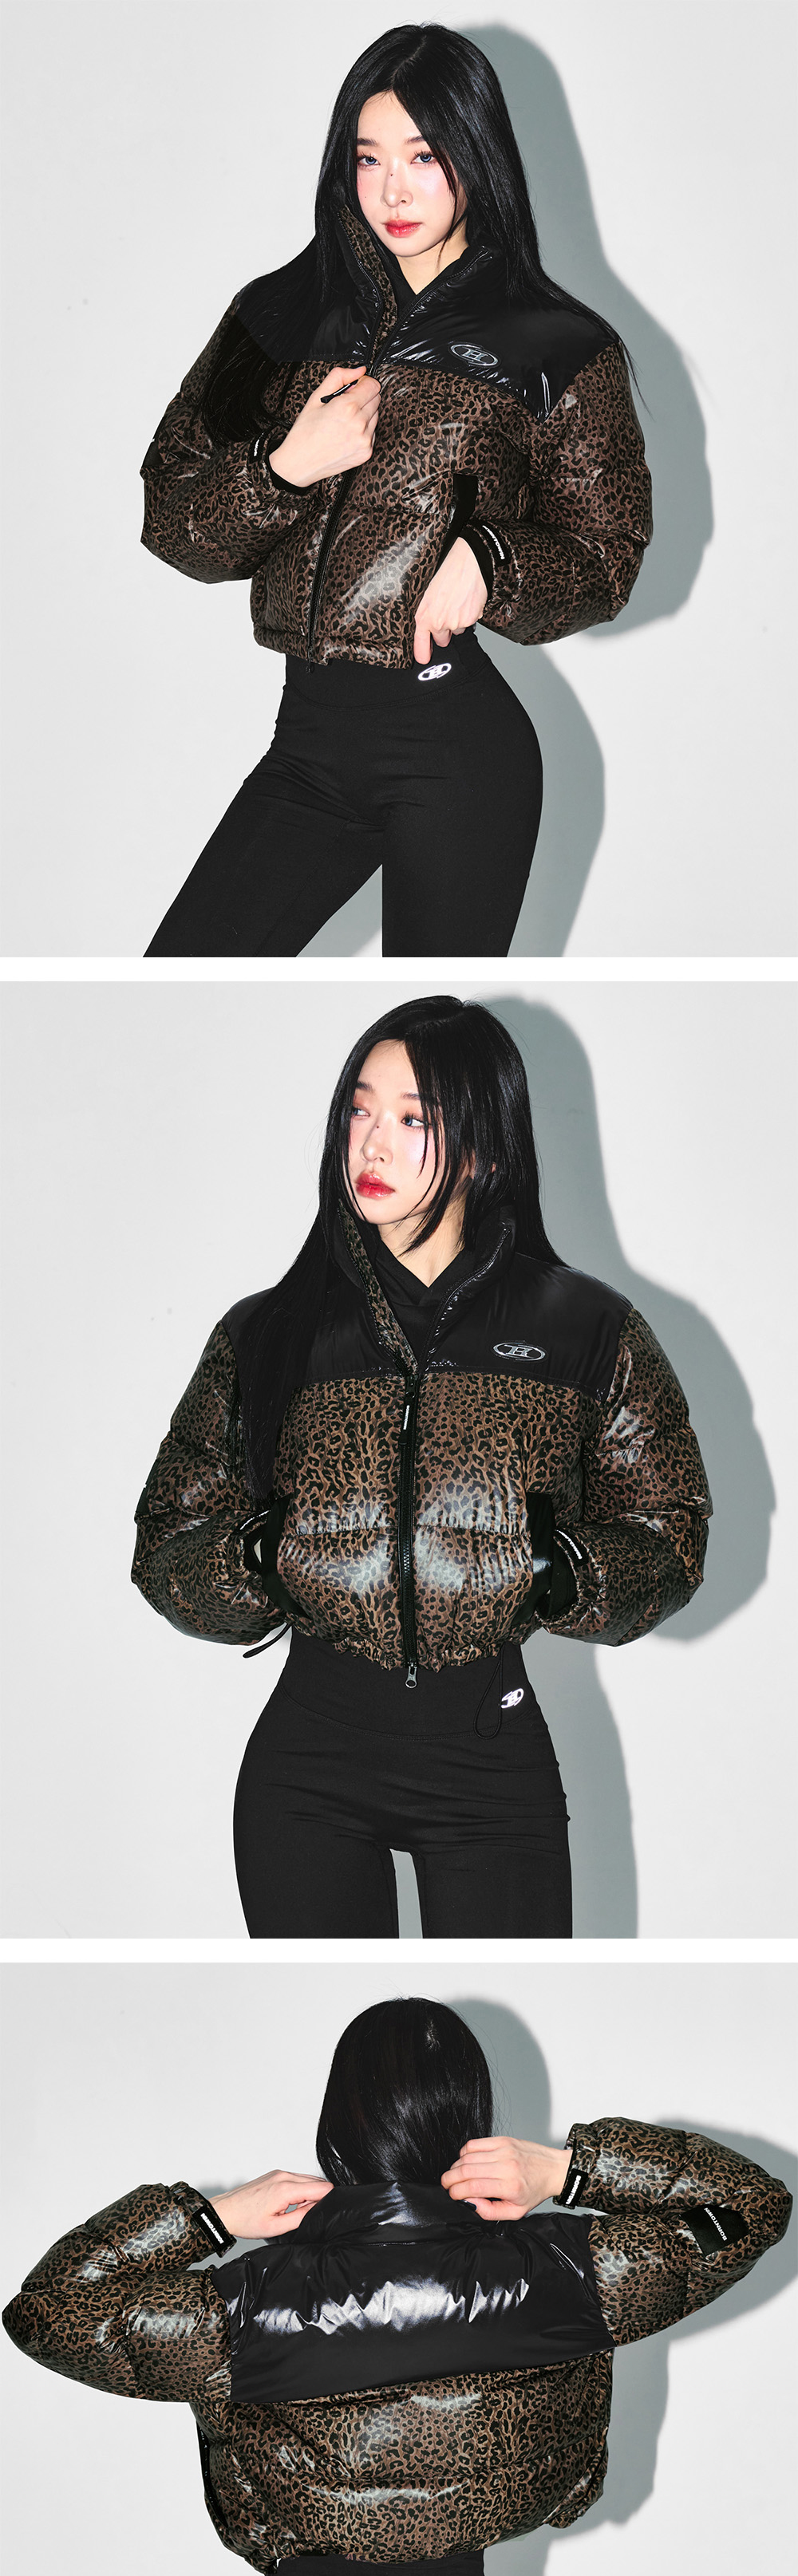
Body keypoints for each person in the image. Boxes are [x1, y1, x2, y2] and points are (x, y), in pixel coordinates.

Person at [3, 1995, 791, 2576]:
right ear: (471, 2120)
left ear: (336, 2128)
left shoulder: (244, 2303)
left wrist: (209, 2218)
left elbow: (45, 2312)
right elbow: (753, 2206)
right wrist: (569, 2169)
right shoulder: (566, 2274)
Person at [132, 997, 712, 1939]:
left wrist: (559, 1570)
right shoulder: (268, 1331)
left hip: (489, 1759)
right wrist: (260, 1558)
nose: (371, 1142)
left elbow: (669, 1529)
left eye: (413, 1119)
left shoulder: (584, 1328)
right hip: (306, 1766)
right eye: (359, 1110)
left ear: (484, 1150)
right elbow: (166, 1540)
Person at [140, 23, 652, 958]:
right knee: (183, 970)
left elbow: (605, 553)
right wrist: (284, 468)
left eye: (423, 155)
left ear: (476, 153)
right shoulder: (274, 316)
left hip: (457, 753)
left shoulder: (558, 346)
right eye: (368, 156)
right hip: (306, 749)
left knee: (427, 1005)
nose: (392, 190)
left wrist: (492, 560)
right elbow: (172, 520)